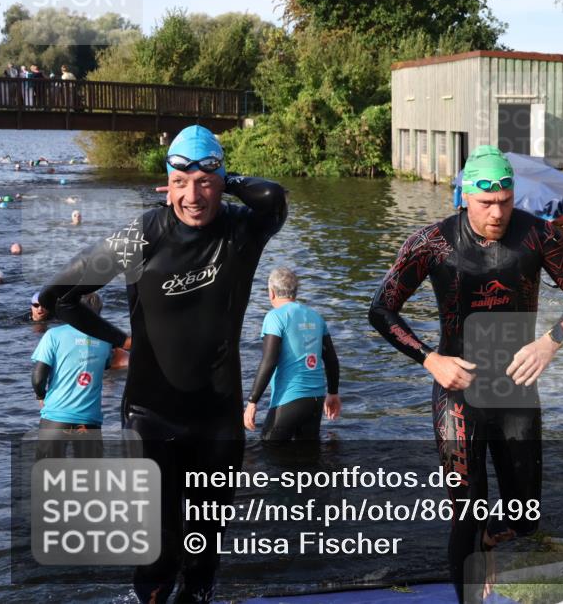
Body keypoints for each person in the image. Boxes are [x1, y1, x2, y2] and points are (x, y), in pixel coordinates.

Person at [37, 124, 287, 603]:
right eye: (180, 183)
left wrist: (223, 178)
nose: (193, 196)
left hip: (217, 414)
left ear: (222, 181)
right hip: (152, 412)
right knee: (158, 542)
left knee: (206, 537)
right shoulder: (144, 234)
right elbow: (59, 297)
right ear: (165, 183)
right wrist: (123, 339)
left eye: (205, 183)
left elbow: (273, 198)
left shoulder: (241, 229)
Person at [368, 145, 563, 604]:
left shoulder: (538, 235)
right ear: (464, 199)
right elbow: (381, 309)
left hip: (515, 389)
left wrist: (549, 342)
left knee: (525, 516)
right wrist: (430, 359)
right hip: (458, 392)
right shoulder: (431, 243)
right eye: (486, 203)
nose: (497, 213)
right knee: (465, 515)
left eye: (506, 202)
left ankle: (491, 543)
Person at [244, 267, 341, 442]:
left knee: (269, 452)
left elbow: (269, 361)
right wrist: (333, 393)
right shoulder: (316, 316)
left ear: (271, 293)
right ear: (295, 292)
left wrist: (252, 401)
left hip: (289, 399)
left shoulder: (275, 317)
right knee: (308, 458)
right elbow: (331, 359)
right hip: (316, 399)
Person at [32, 293, 127, 459]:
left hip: (56, 417)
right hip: (90, 420)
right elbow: (109, 365)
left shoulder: (54, 335)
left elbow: (38, 378)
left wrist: (40, 394)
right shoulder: (106, 341)